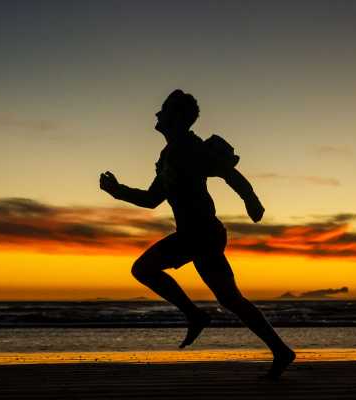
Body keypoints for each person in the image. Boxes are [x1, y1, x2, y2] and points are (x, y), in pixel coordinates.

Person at [99, 89, 295, 379]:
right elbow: (152, 199)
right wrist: (117, 191)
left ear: (177, 118)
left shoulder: (190, 148)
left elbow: (228, 172)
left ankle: (195, 315)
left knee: (143, 269)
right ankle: (281, 351)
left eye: (164, 110)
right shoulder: (169, 154)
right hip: (200, 234)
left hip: (200, 233)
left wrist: (251, 200)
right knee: (230, 299)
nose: (157, 114)